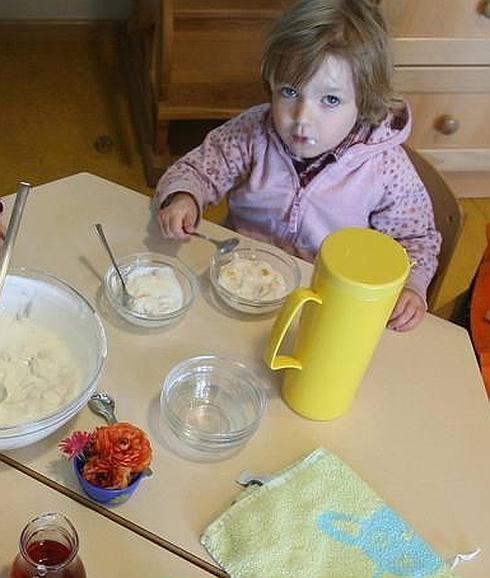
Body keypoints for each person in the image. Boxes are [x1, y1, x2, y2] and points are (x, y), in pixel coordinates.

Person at [154, 0, 441, 332]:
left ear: (365, 101)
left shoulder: (386, 169)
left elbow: (415, 237)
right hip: (236, 280)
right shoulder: (252, 133)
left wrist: (412, 285)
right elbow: (199, 170)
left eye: (330, 100)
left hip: (323, 301)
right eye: (290, 92)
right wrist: (184, 197)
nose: (302, 118)